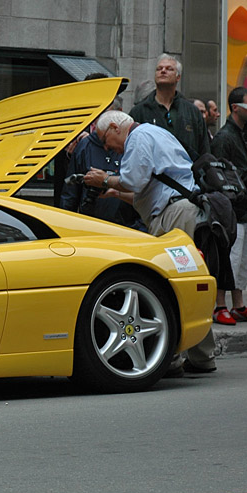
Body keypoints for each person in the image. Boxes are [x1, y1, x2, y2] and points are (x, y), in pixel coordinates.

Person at [82, 111, 218, 374]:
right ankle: (197, 356)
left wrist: (104, 179)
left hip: (175, 216)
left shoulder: (139, 137)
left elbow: (134, 180)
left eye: (106, 140)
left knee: (178, 285)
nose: (108, 147)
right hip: (176, 211)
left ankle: (184, 357)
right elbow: (149, 192)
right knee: (180, 286)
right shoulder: (154, 133)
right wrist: (115, 192)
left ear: (114, 126)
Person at [210, 87, 247, 324]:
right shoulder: (224, 137)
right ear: (235, 108)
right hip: (231, 207)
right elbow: (220, 172)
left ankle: (239, 304)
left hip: (246, 205)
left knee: (244, 259)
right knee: (229, 256)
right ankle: (220, 305)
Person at [129, 54, 210, 161]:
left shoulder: (192, 111)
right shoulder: (139, 111)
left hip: (188, 174)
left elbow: (204, 150)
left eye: (169, 69)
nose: (163, 71)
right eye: (159, 69)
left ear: (178, 77)